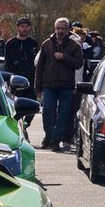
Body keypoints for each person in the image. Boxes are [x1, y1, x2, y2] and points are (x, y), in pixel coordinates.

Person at [33, 17, 83, 152]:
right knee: (47, 110)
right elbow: (40, 66)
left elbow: (79, 63)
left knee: (63, 114)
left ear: (68, 30)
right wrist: (37, 87)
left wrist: (64, 57)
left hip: (66, 86)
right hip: (48, 84)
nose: (60, 31)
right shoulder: (47, 44)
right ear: (55, 29)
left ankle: (55, 139)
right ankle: (49, 135)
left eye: (63, 29)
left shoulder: (74, 46)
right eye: (58, 28)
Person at [3, 17, 39, 101]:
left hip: (31, 80)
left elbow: (37, 62)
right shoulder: (10, 43)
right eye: (22, 26)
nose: (24, 29)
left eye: (26, 26)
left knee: (31, 106)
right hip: (15, 81)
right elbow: (7, 64)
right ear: (17, 28)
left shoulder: (33, 43)